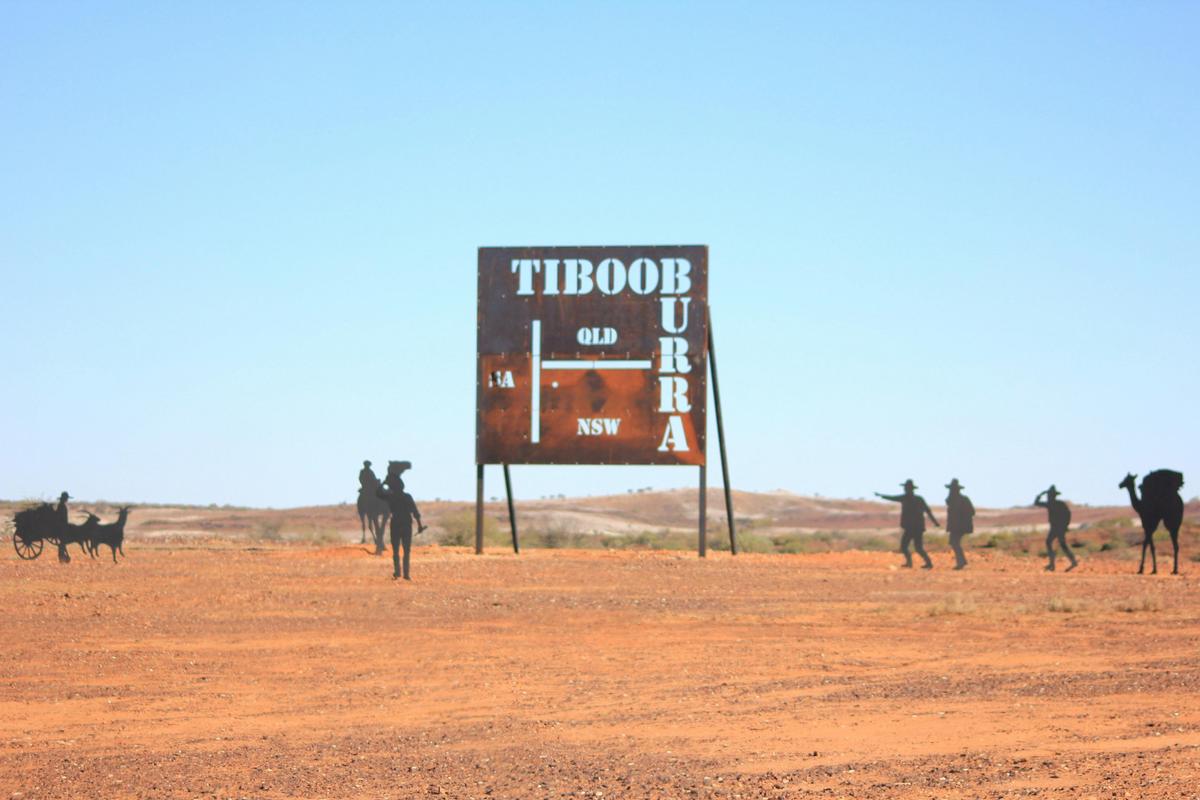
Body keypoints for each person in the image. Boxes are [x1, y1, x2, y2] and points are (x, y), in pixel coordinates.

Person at [876, 479, 940, 569]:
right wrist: (935, 522)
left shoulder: (912, 498)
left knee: (913, 547)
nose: (905, 489)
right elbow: (928, 511)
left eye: (906, 488)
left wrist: (935, 522)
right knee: (909, 547)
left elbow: (928, 511)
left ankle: (925, 563)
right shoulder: (913, 498)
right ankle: (914, 563)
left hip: (914, 528)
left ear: (909, 489)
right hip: (915, 527)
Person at [377, 461, 424, 580]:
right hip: (406, 523)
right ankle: (406, 574)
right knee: (406, 550)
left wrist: (384, 482)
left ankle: (398, 572)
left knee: (396, 550)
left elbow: (378, 493)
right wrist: (419, 525)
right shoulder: (407, 496)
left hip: (396, 523)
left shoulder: (390, 496)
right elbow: (415, 513)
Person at [1035, 485, 1077, 572]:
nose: (1048, 497)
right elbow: (1036, 503)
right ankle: (1068, 562)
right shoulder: (1055, 504)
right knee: (1059, 544)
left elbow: (1067, 515)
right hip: (1057, 527)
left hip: (1057, 527)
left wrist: (1065, 525)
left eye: (1049, 495)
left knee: (1051, 542)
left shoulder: (1055, 504)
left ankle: (1053, 564)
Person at [945, 479, 975, 570]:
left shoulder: (963, 499)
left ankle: (961, 563)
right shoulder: (952, 500)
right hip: (955, 526)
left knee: (955, 543)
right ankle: (962, 561)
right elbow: (948, 501)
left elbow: (972, 512)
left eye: (952, 489)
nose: (951, 491)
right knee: (954, 543)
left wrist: (962, 517)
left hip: (960, 526)